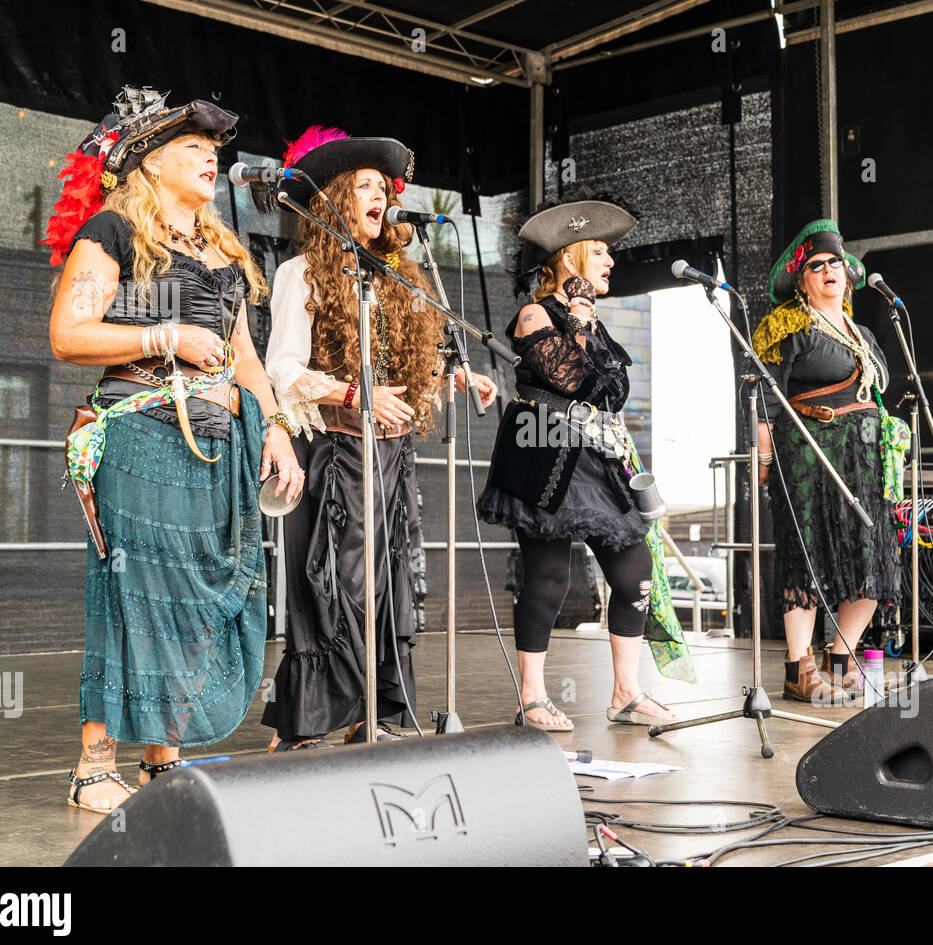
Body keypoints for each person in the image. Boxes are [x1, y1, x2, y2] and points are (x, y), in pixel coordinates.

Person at [46, 87, 303, 813]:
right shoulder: (112, 230)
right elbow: (69, 333)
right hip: (141, 435)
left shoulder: (224, 249)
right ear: (149, 165)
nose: (209, 158)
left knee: (193, 598)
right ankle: (96, 763)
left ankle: (164, 763)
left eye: (213, 150)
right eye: (191, 148)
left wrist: (276, 425)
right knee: (130, 593)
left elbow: (245, 356)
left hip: (217, 445)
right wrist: (161, 336)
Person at [260, 128, 497, 749]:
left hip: (389, 459)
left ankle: (372, 716)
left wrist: (456, 374)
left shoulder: (394, 279)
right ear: (336, 198)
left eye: (382, 187)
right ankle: (308, 723)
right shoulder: (299, 273)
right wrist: (351, 394)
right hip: (333, 453)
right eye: (363, 185)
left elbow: (407, 364)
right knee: (333, 585)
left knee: (384, 583)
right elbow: (281, 368)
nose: (378, 195)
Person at [477, 197, 678, 730]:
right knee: (548, 576)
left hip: (598, 458)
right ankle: (533, 696)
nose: (611, 261)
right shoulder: (534, 314)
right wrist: (583, 325)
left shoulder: (592, 320)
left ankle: (626, 693)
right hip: (544, 456)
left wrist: (588, 324)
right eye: (601, 252)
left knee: (635, 569)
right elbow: (574, 379)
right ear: (569, 258)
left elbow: (614, 388)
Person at [752, 220, 901, 703]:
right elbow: (761, 397)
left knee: (870, 558)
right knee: (807, 558)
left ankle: (843, 656)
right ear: (801, 280)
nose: (828, 270)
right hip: (807, 458)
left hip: (864, 462)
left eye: (835, 262)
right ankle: (800, 668)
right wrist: (765, 457)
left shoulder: (863, 334)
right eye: (816, 265)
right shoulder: (786, 326)